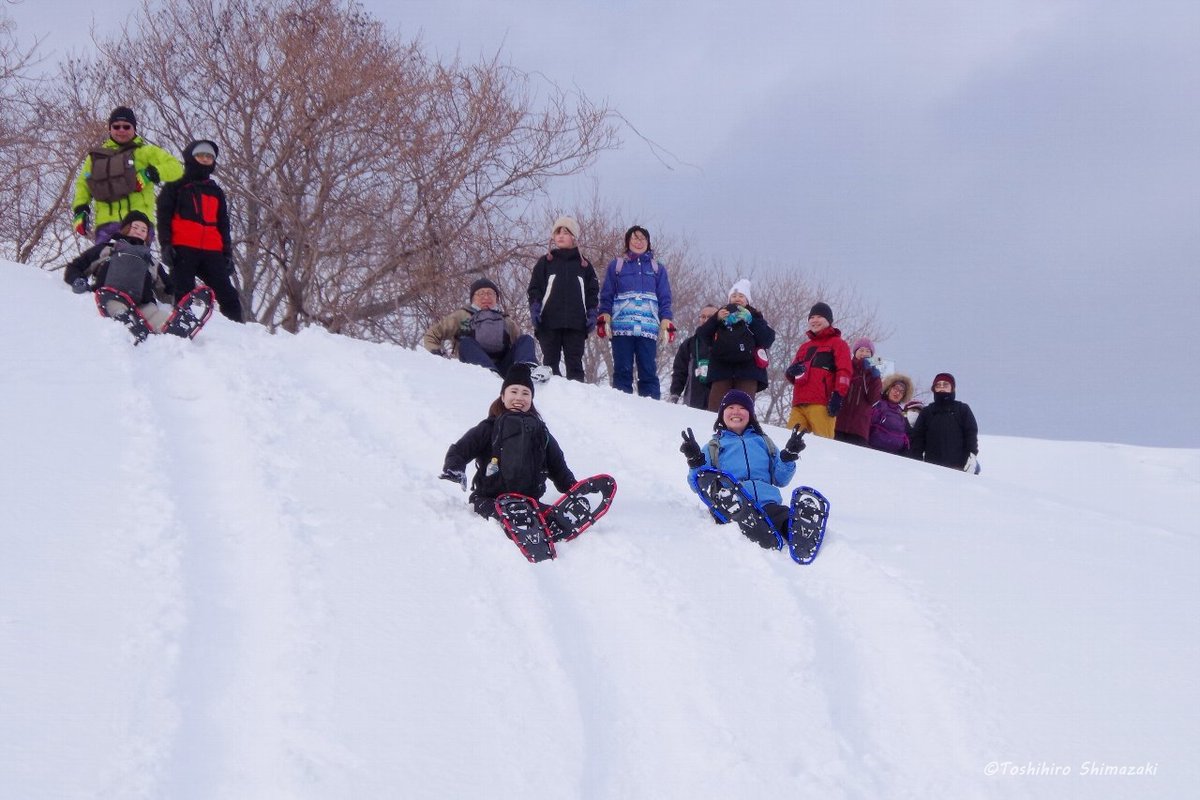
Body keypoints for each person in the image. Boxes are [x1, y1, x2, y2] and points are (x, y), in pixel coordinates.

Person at [439, 364, 577, 521]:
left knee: (557, 519)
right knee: (509, 516)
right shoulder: (489, 427)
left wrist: (571, 486)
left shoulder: (540, 432)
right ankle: (517, 520)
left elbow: (557, 464)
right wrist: (454, 468)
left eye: (525, 393)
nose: (519, 397)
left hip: (528, 502)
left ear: (531, 400)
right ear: (503, 397)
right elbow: (461, 449)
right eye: (513, 391)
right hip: (489, 500)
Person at [678, 389, 806, 548]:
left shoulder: (763, 442)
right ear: (722, 415)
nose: (736, 412)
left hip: (766, 502)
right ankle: (743, 525)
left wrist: (788, 458)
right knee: (737, 512)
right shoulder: (714, 446)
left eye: (742, 408)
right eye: (730, 407)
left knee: (782, 516)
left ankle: (800, 533)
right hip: (733, 503)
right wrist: (695, 462)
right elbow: (698, 484)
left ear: (750, 415)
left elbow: (780, 479)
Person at [156, 139, 244, 322]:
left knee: (228, 294)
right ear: (190, 157)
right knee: (183, 292)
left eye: (209, 156)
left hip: (213, 250)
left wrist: (227, 254)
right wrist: (165, 245)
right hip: (183, 247)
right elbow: (163, 216)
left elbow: (223, 224)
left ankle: (239, 331)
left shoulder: (215, 191)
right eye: (200, 155)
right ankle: (181, 326)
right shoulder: (175, 185)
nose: (205, 159)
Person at [71, 106, 183, 245]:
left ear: (134, 128)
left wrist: (150, 173)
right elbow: (83, 184)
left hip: (139, 225)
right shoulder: (96, 157)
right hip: (106, 225)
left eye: (126, 126)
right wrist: (80, 210)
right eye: (116, 126)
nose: (121, 130)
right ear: (110, 129)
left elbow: (176, 168)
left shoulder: (146, 152)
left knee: (134, 264)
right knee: (103, 265)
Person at [596, 225, 676, 398]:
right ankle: (621, 406)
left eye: (642, 239)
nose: (639, 242)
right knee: (622, 369)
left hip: (648, 328)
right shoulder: (616, 266)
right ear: (627, 241)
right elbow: (607, 293)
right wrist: (604, 316)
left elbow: (665, 297)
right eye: (635, 238)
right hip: (622, 326)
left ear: (648, 242)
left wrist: (666, 320)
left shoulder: (657, 268)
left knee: (648, 370)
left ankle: (652, 408)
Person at [62, 210, 172, 332]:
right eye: (135, 227)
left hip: (143, 306)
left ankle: (172, 330)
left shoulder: (152, 262)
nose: (139, 232)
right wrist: (77, 279)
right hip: (110, 297)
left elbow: (167, 288)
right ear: (126, 228)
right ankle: (127, 324)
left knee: (163, 320)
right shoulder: (107, 249)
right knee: (118, 309)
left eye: (143, 230)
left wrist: (180, 296)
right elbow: (76, 266)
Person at [526, 216, 599, 381]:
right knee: (550, 364)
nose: (560, 235)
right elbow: (534, 288)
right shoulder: (545, 262)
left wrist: (592, 313)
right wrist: (535, 308)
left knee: (575, 364)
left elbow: (592, 292)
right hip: (548, 321)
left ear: (574, 237)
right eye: (557, 232)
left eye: (565, 232)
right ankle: (552, 398)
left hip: (576, 323)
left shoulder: (584, 265)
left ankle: (578, 400)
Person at [423, 277, 539, 375]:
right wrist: (437, 353)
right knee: (466, 343)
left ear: (496, 298)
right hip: (475, 368)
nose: (486, 297)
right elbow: (432, 335)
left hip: (503, 366)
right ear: (473, 298)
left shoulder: (506, 320)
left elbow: (520, 347)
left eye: (490, 294)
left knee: (526, 339)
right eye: (481, 294)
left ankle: (527, 369)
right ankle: (489, 373)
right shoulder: (462, 316)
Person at [693, 279, 776, 411]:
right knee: (715, 410)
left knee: (743, 410)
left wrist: (751, 321)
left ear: (748, 300)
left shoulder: (755, 316)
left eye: (741, 296)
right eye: (734, 296)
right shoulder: (721, 314)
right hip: (721, 370)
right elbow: (703, 335)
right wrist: (716, 319)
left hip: (748, 371)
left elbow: (768, 339)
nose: (737, 298)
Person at [784, 302, 851, 439]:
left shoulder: (838, 344)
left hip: (822, 403)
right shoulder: (804, 347)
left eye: (819, 316)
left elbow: (844, 371)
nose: (814, 320)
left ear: (828, 321)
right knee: (789, 443)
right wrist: (791, 372)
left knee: (824, 445)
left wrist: (838, 395)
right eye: (812, 317)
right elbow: (792, 375)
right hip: (799, 402)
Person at [909, 372, 979, 471]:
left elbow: (971, 434)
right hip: (932, 469)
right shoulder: (927, 412)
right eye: (938, 385)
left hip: (959, 468)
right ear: (934, 389)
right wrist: (917, 461)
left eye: (945, 385)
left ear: (952, 388)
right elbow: (918, 439)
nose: (941, 387)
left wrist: (972, 455)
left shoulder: (962, 409)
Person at [835, 338, 883, 446]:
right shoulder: (846, 366)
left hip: (859, 429)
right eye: (861, 350)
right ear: (855, 352)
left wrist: (875, 377)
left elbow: (874, 399)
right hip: (838, 423)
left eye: (867, 351)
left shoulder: (873, 374)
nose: (864, 354)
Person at [669, 304, 719, 408]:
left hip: (718, 401)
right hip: (693, 400)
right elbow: (679, 371)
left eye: (710, 317)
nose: (706, 320)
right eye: (703, 317)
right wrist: (675, 393)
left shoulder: (726, 343)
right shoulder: (689, 343)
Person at [869, 373, 914, 455]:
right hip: (873, 450)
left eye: (901, 392)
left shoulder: (902, 413)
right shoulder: (878, 404)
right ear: (889, 389)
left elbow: (908, 435)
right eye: (895, 388)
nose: (897, 393)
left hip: (895, 456)